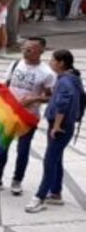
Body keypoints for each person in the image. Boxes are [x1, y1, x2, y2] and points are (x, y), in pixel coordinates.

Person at [0, 37, 55, 195]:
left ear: (41, 51)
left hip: (28, 116)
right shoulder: (15, 64)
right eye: (24, 48)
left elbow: (50, 97)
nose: (26, 51)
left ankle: (17, 180)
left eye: (30, 49)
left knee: (23, 150)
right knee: (0, 146)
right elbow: (6, 85)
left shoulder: (47, 73)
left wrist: (34, 99)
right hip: (8, 114)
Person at [26, 49, 84, 213]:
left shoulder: (65, 81)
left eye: (53, 60)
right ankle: (56, 192)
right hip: (64, 125)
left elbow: (62, 104)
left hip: (61, 127)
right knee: (56, 158)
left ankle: (40, 197)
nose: (50, 62)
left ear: (61, 63)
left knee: (49, 161)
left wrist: (57, 126)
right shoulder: (71, 78)